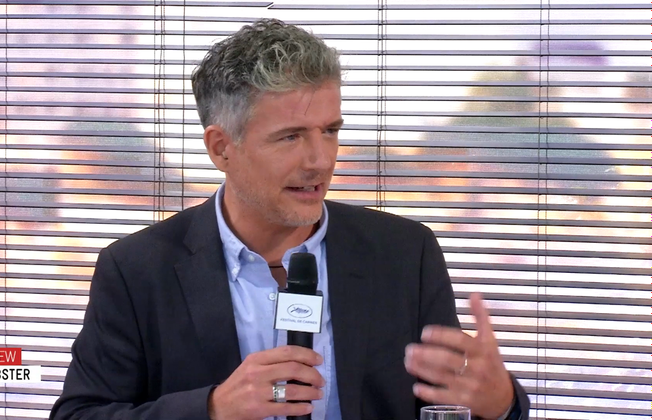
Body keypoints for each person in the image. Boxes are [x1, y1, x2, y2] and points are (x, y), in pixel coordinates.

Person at [49, 18, 529, 420]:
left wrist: (501, 404)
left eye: (330, 131)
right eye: (291, 137)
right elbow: (80, 414)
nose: (320, 161)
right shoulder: (136, 269)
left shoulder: (404, 253)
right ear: (221, 148)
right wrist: (213, 408)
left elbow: (448, 402)